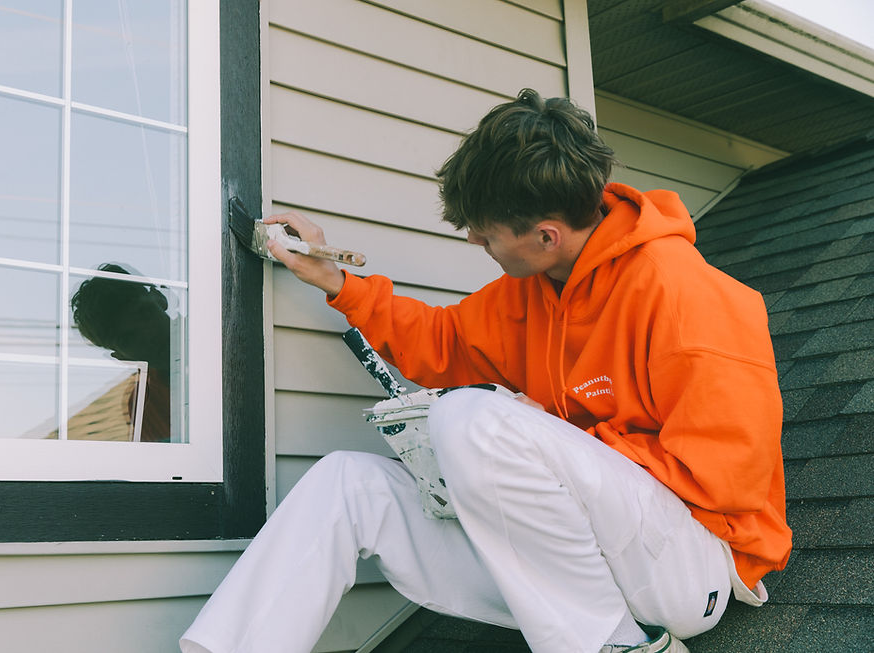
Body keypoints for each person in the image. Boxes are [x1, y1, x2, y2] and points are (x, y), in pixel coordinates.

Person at [180, 89, 791, 653]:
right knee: (348, 484)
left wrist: (547, 433)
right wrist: (337, 282)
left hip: (692, 567)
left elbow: (723, 484)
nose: (476, 241)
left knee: (469, 416)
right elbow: (441, 342)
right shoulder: (531, 291)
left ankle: (614, 645)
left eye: (486, 235)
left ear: (547, 235)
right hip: (576, 565)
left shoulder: (689, 296)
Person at [71, 263, 174, 442]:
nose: (147, 334)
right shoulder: (145, 405)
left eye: (145, 313)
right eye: (128, 338)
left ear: (160, 298)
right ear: (120, 357)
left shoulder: (218, 335)